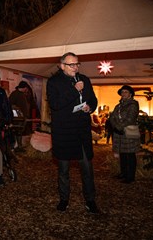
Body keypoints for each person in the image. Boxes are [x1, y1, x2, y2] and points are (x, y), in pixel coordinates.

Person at [46, 52, 99, 213]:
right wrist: (75, 91)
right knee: (63, 169)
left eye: (77, 64)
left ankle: (90, 200)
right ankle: (64, 199)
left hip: (81, 131)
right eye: (71, 64)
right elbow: (55, 104)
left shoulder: (85, 80)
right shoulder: (54, 82)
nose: (75, 67)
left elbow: (93, 100)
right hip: (64, 132)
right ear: (62, 66)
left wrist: (90, 107)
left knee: (87, 169)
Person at [109, 85, 141, 184]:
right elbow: (112, 117)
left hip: (128, 131)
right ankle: (123, 173)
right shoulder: (118, 106)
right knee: (122, 153)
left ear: (130, 94)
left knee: (130, 155)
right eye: (122, 92)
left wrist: (119, 127)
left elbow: (130, 118)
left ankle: (130, 176)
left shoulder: (133, 104)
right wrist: (115, 127)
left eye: (126, 92)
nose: (123, 94)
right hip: (119, 132)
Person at [9, 81, 31, 151]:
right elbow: (10, 105)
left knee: (20, 131)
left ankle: (19, 146)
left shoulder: (22, 94)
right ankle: (13, 147)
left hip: (22, 117)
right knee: (16, 131)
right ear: (24, 87)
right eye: (26, 88)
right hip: (17, 118)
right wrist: (17, 112)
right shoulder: (14, 94)